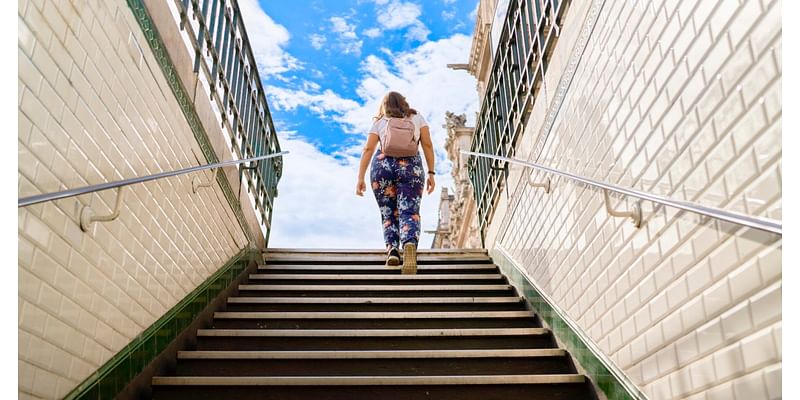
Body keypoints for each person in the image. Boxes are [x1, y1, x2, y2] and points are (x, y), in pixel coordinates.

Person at [356, 91, 436, 274]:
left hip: (382, 167)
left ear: (384, 105)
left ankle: (392, 249)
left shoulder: (380, 121)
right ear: (404, 103)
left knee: (388, 212)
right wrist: (431, 172)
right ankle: (409, 244)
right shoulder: (417, 118)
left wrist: (360, 177)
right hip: (411, 167)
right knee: (409, 210)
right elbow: (428, 145)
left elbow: (368, 148)